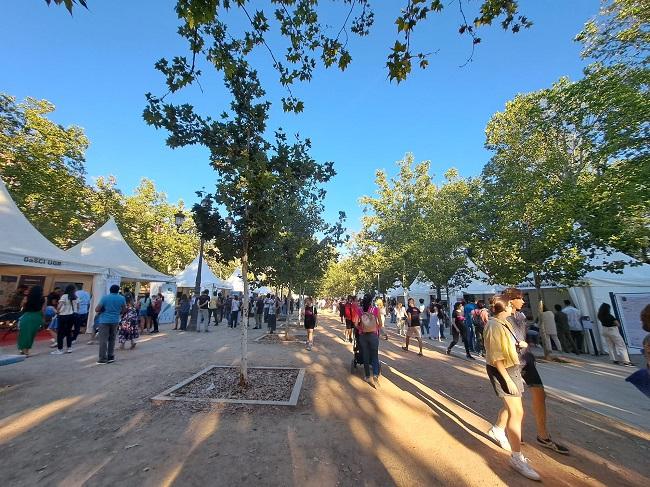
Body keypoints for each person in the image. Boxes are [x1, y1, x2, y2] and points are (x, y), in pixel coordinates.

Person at [502, 288, 569, 455]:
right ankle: (510, 432)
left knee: (539, 393)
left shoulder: (521, 316)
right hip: (512, 361)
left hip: (527, 359)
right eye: (520, 298)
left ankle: (542, 435)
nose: (523, 301)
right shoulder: (502, 318)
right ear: (511, 300)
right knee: (514, 400)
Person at [484, 294, 541, 481]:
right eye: (511, 304)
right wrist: (506, 379)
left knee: (513, 409)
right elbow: (495, 355)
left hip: (512, 367)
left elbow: (505, 345)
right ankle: (516, 458)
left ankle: (498, 429)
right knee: (517, 412)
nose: (518, 305)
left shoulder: (504, 323)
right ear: (505, 307)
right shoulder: (494, 325)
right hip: (504, 370)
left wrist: (519, 344)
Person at [95, 284, 126, 364]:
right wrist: (118, 313)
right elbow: (124, 309)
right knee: (112, 339)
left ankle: (102, 358)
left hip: (104, 320)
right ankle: (110, 356)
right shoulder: (122, 298)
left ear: (110, 290)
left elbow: (97, 309)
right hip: (115, 320)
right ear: (118, 290)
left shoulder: (105, 297)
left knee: (103, 340)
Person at [357, 293, 381, 386]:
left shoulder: (360, 310)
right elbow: (381, 323)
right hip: (373, 335)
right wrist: (375, 329)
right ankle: (375, 374)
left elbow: (355, 323)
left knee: (365, 356)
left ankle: (367, 376)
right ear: (372, 301)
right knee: (375, 355)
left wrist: (361, 329)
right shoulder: (375, 310)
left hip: (363, 336)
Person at [51, 284, 79, 355]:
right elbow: (78, 307)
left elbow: (59, 306)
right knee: (68, 332)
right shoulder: (76, 297)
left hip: (63, 316)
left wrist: (57, 311)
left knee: (60, 333)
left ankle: (60, 349)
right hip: (72, 316)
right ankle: (69, 348)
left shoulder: (64, 296)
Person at [17, 285, 45, 356]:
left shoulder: (27, 297)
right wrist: (43, 319)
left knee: (24, 333)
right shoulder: (42, 298)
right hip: (37, 316)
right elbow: (43, 310)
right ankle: (27, 350)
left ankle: (23, 349)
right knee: (32, 334)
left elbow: (21, 306)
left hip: (27, 316)